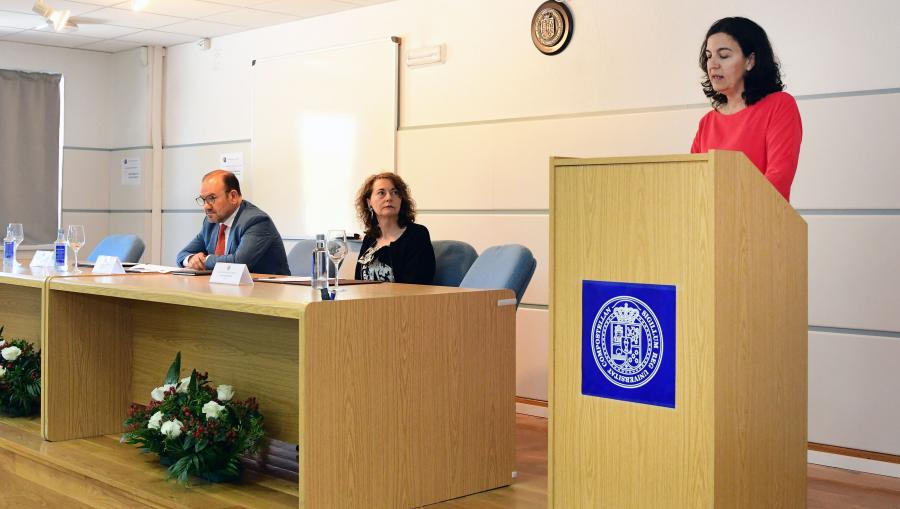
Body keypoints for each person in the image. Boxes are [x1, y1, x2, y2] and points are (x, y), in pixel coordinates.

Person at [691, 16, 802, 201]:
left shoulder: (780, 106)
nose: (713, 64)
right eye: (709, 56)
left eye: (724, 55)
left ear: (750, 60)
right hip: (711, 227)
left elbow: (778, 179)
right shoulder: (707, 122)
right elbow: (693, 183)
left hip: (758, 224)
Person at [176, 169, 290, 275]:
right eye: (203, 199)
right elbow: (182, 255)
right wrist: (191, 259)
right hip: (227, 290)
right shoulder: (211, 222)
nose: (206, 206)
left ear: (233, 196)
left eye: (211, 198)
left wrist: (204, 260)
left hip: (268, 292)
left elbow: (239, 263)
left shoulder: (256, 221)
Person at [354, 172, 435, 284]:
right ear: (369, 202)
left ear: (401, 200)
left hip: (402, 301)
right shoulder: (370, 238)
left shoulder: (417, 235)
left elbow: (418, 285)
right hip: (368, 301)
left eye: (395, 192)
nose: (389, 198)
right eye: (381, 193)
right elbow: (358, 282)